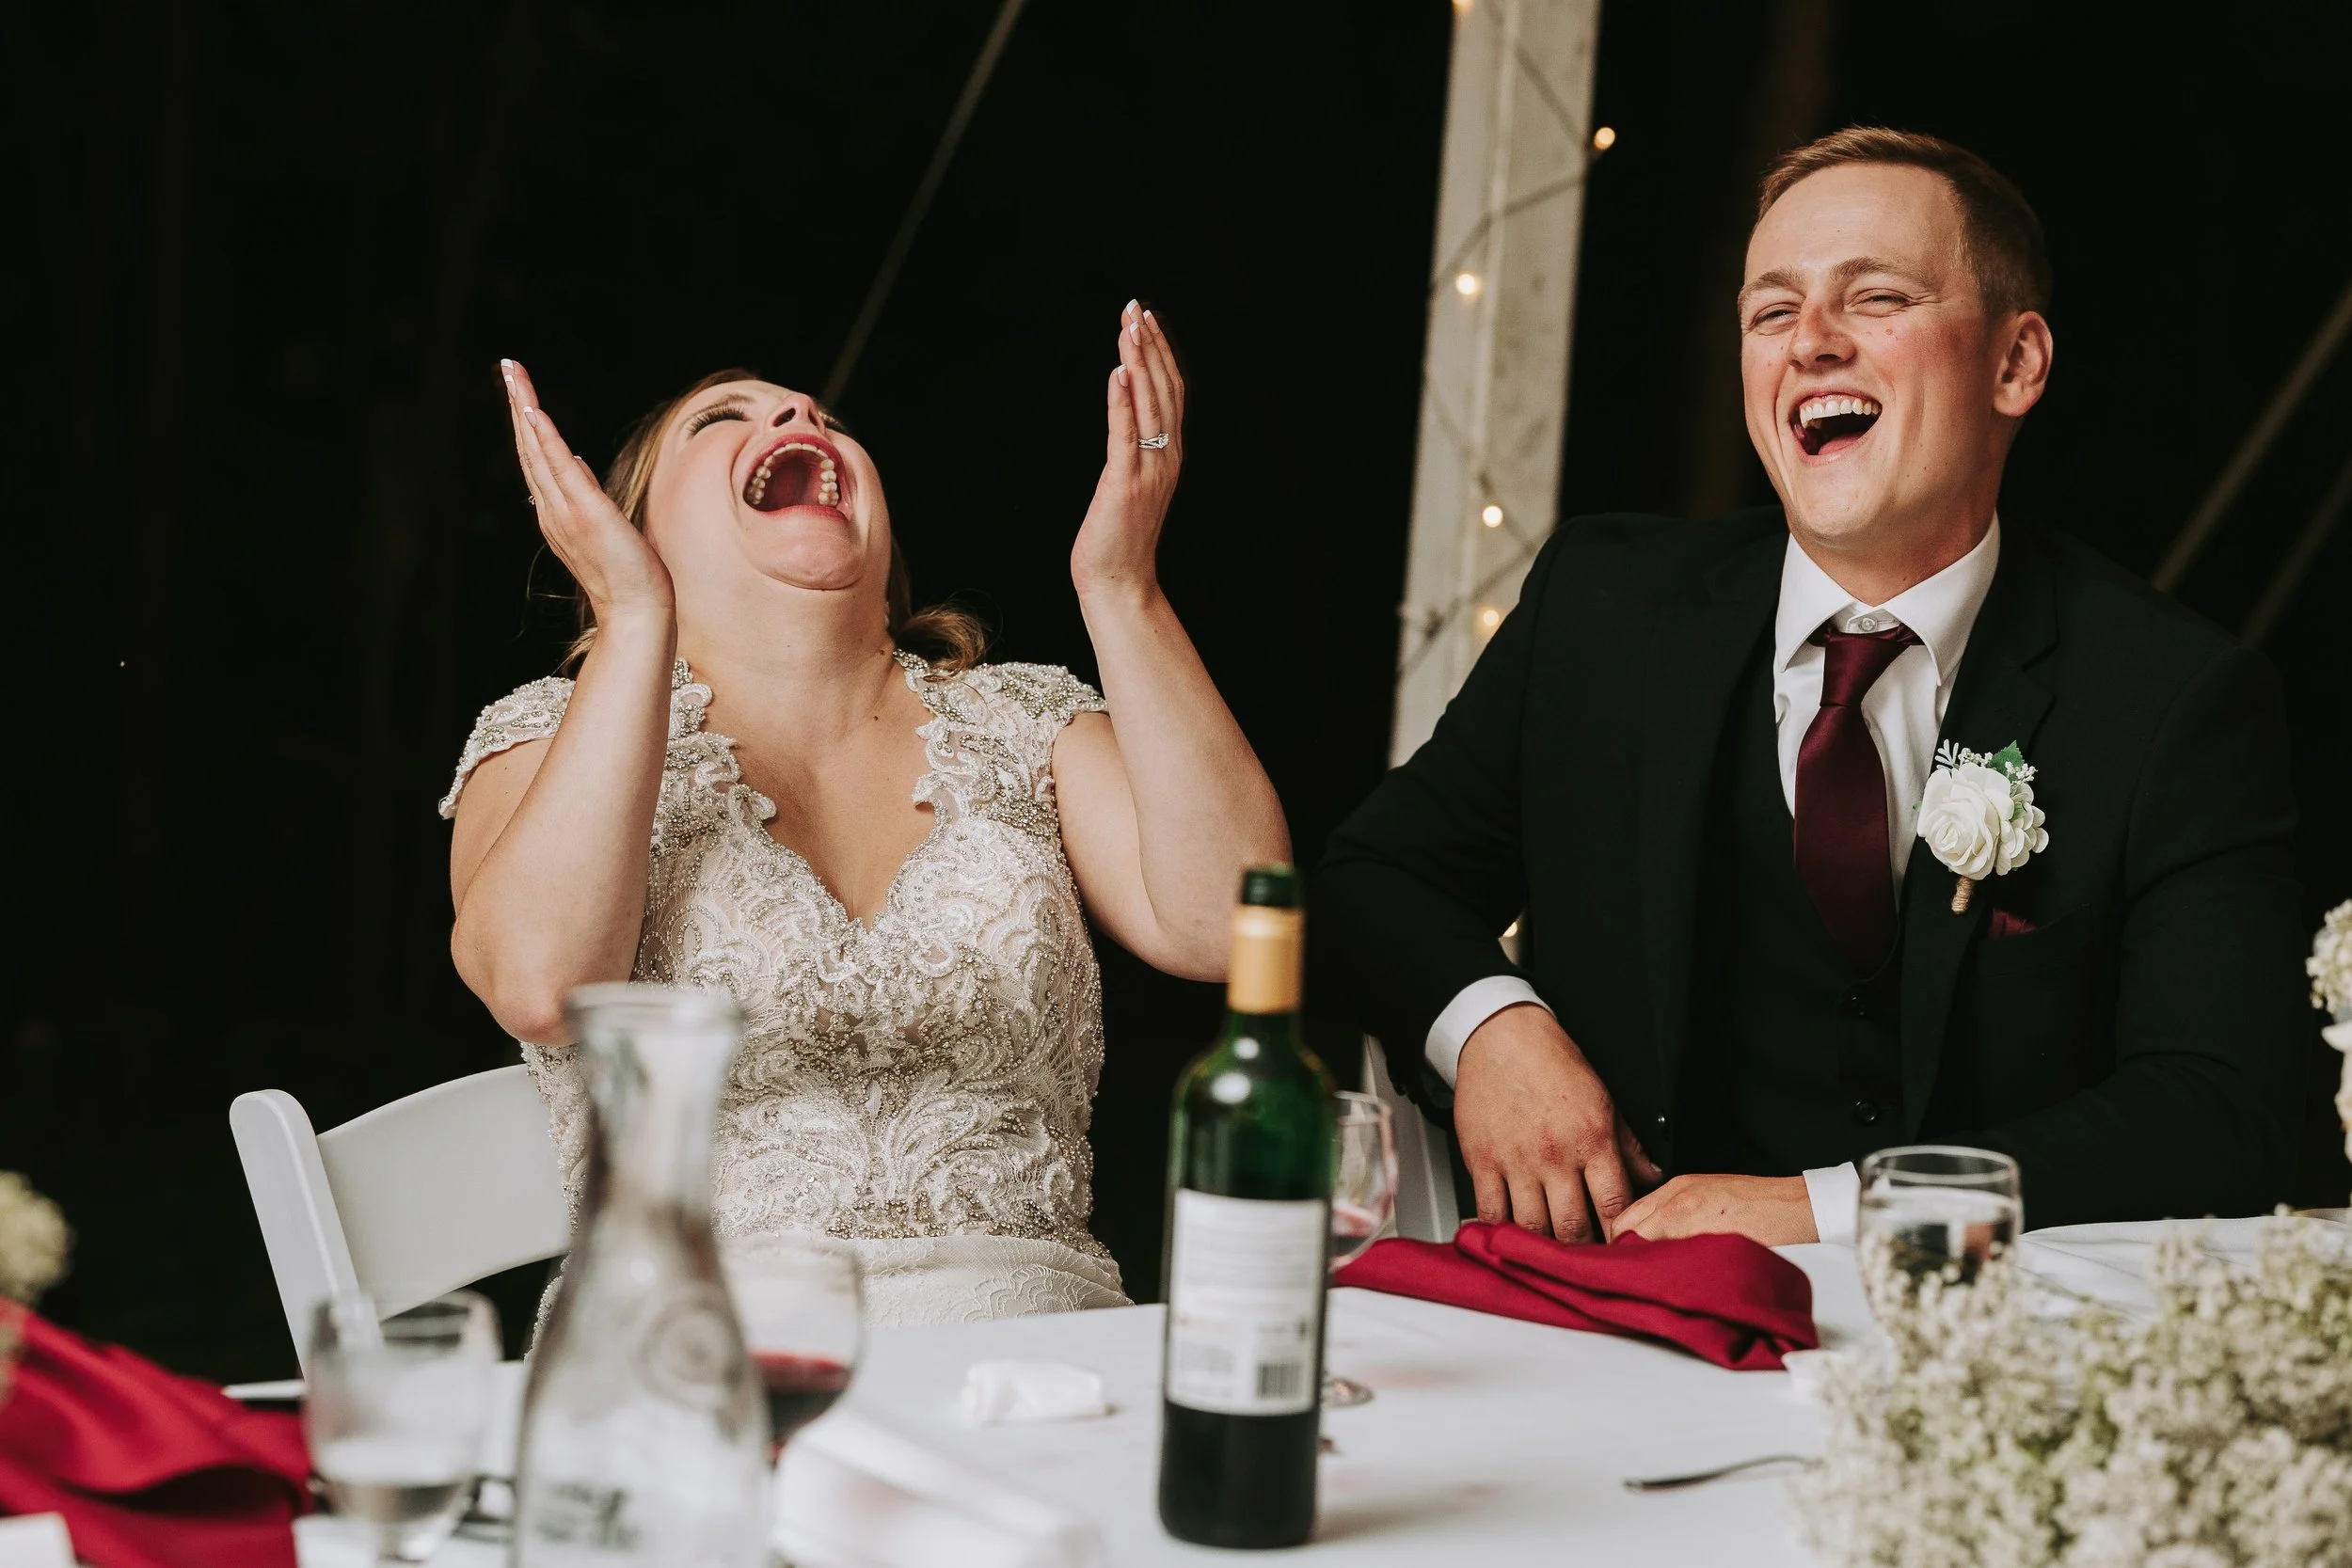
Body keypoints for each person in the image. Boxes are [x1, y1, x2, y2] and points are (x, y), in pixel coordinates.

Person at [1318, 129, 2308, 1247]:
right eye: (1771, 311)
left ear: (2015, 364)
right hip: (1611, 1305)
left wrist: (1824, 1210)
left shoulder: (2175, 695)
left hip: (1979, 1323)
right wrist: (1495, 1028)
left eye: (1875, 297)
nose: (1811, 342)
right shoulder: (1603, 607)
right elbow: (1375, 877)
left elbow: (2221, 1106)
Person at [442, 301, 1289, 1323]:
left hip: (1036, 1358)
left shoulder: (1027, 722)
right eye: (721, 419)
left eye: (826, 417)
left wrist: (1121, 586)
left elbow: (1227, 925)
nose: (802, 413)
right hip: (688, 1353)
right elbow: (542, 987)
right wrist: (632, 617)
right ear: (632, 528)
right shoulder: (546, 735)